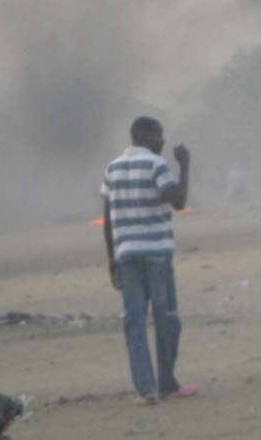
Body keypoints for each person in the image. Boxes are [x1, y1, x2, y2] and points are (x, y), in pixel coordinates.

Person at [101, 116, 199, 407]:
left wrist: (111, 257)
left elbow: (108, 217)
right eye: (159, 136)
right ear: (143, 136)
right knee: (167, 318)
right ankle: (167, 383)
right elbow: (179, 201)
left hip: (126, 255)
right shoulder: (156, 165)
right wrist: (185, 165)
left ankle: (146, 390)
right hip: (156, 253)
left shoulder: (112, 168)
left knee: (135, 322)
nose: (163, 142)